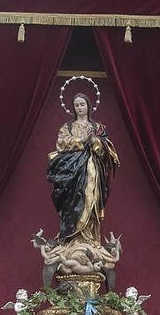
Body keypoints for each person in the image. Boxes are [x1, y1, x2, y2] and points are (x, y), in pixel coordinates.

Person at [47, 92, 119, 248]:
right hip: (71, 171)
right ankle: (71, 239)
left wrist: (94, 141)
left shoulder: (97, 127)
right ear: (73, 108)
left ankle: (90, 238)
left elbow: (107, 149)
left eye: (82, 104)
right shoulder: (68, 127)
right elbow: (61, 144)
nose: (79, 108)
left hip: (92, 169)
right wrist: (82, 140)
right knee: (73, 202)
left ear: (88, 106)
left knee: (91, 199)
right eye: (76, 105)